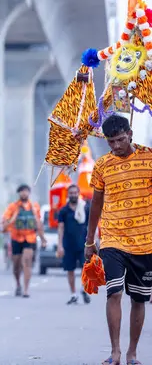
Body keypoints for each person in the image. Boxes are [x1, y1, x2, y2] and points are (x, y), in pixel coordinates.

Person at [85, 114, 152, 365]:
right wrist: (90, 241)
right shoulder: (102, 165)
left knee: (139, 298)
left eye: (120, 140)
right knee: (113, 293)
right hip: (112, 239)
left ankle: (132, 352)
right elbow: (96, 203)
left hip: (145, 241)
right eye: (111, 142)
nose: (116, 146)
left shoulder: (149, 158)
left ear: (130, 134)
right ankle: (115, 352)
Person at [3, 184, 47, 298]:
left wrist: (43, 239)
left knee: (27, 262)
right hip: (16, 237)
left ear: (29, 193)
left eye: (26, 191)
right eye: (22, 191)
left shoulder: (34, 207)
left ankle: (26, 289)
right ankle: (18, 284)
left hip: (30, 238)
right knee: (16, 264)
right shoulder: (13, 207)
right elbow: (5, 224)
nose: (24, 193)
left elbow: (38, 224)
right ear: (19, 193)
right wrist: (14, 216)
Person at [56, 184, 91, 305]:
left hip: (83, 245)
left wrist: (93, 241)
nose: (73, 195)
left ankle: (83, 289)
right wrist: (59, 245)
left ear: (78, 193)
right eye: (71, 193)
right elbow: (60, 228)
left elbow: (92, 225)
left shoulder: (85, 207)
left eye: (75, 193)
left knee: (85, 268)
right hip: (68, 245)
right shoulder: (64, 211)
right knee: (70, 270)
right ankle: (73, 294)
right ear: (68, 194)